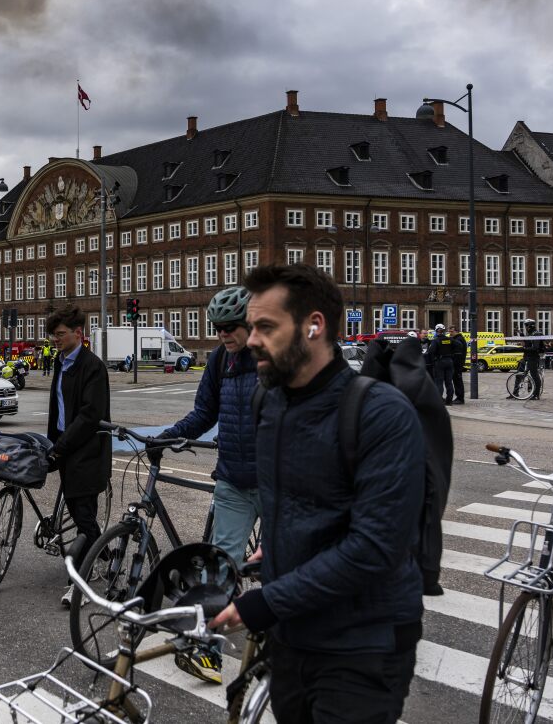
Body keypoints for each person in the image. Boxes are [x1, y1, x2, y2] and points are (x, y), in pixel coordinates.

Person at [212, 264, 424, 724]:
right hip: (293, 633)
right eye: (251, 327)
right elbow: (298, 508)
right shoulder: (269, 403)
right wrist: (275, 551)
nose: (250, 340)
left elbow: (374, 548)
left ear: (314, 326)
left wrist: (265, 602)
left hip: (363, 642)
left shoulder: (381, 413)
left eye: (266, 327)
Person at [158, 287, 260, 684]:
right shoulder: (220, 361)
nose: (221, 335)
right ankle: (207, 651)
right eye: (216, 328)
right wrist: (167, 435)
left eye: (229, 327)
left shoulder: (273, 360)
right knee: (220, 570)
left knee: (291, 567)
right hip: (233, 480)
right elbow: (204, 412)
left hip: (276, 483)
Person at [47, 304, 111, 608]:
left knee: (83, 514)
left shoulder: (92, 366)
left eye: (60, 335)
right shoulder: (61, 362)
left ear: (78, 334)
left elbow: (89, 415)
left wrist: (61, 446)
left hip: (86, 451)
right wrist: (51, 443)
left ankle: (82, 583)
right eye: (53, 335)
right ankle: (105, 555)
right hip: (66, 446)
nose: (55, 340)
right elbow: (59, 409)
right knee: (78, 510)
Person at [513, 320, 544, 400]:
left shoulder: (536, 334)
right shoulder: (530, 334)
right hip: (526, 357)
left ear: (530, 326)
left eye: (526, 326)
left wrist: (524, 349)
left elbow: (535, 348)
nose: (525, 328)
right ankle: (515, 393)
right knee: (519, 374)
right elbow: (527, 340)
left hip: (533, 357)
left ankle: (536, 394)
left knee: (534, 376)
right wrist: (519, 332)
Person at [427, 323, 457, 405]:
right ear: (443, 331)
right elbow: (459, 345)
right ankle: (449, 401)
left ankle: (439, 401)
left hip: (439, 362)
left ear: (436, 331)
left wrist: (433, 360)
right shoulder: (450, 339)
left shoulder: (435, 340)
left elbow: (430, 351)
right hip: (449, 361)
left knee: (439, 382)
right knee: (449, 382)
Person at [449, 328, 467, 403]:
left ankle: (460, 398)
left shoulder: (458, 340)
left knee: (457, 380)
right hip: (457, 363)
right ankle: (459, 397)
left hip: (457, 363)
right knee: (456, 380)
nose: (450, 333)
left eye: (452, 331)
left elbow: (458, 353)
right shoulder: (457, 338)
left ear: (456, 331)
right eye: (449, 331)